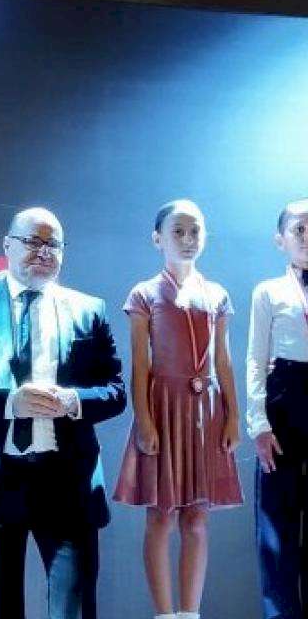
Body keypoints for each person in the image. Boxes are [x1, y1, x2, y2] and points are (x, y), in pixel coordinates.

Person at [0, 207, 126, 619]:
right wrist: (10, 403)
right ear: (7, 246)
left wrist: (73, 401)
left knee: (74, 609)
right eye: (32, 242)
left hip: (67, 480)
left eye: (53, 244)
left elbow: (115, 392)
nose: (43, 252)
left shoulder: (89, 309)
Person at [112, 200, 242, 619]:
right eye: (178, 231)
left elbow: (223, 360)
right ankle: (165, 614)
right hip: (163, 407)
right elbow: (140, 362)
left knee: (197, 518)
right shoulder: (144, 293)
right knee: (162, 516)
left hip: (206, 413)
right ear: (158, 239)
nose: (188, 239)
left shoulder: (217, 293)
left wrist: (233, 415)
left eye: (195, 231)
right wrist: (144, 420)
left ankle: (190, 613)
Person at [247, 198, 308, 619]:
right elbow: (255, 359)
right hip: (284, 402)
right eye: (299, 229)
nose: (307, 237)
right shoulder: (268, 291)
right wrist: (259, 424)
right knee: (277, 526)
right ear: (280, 239)